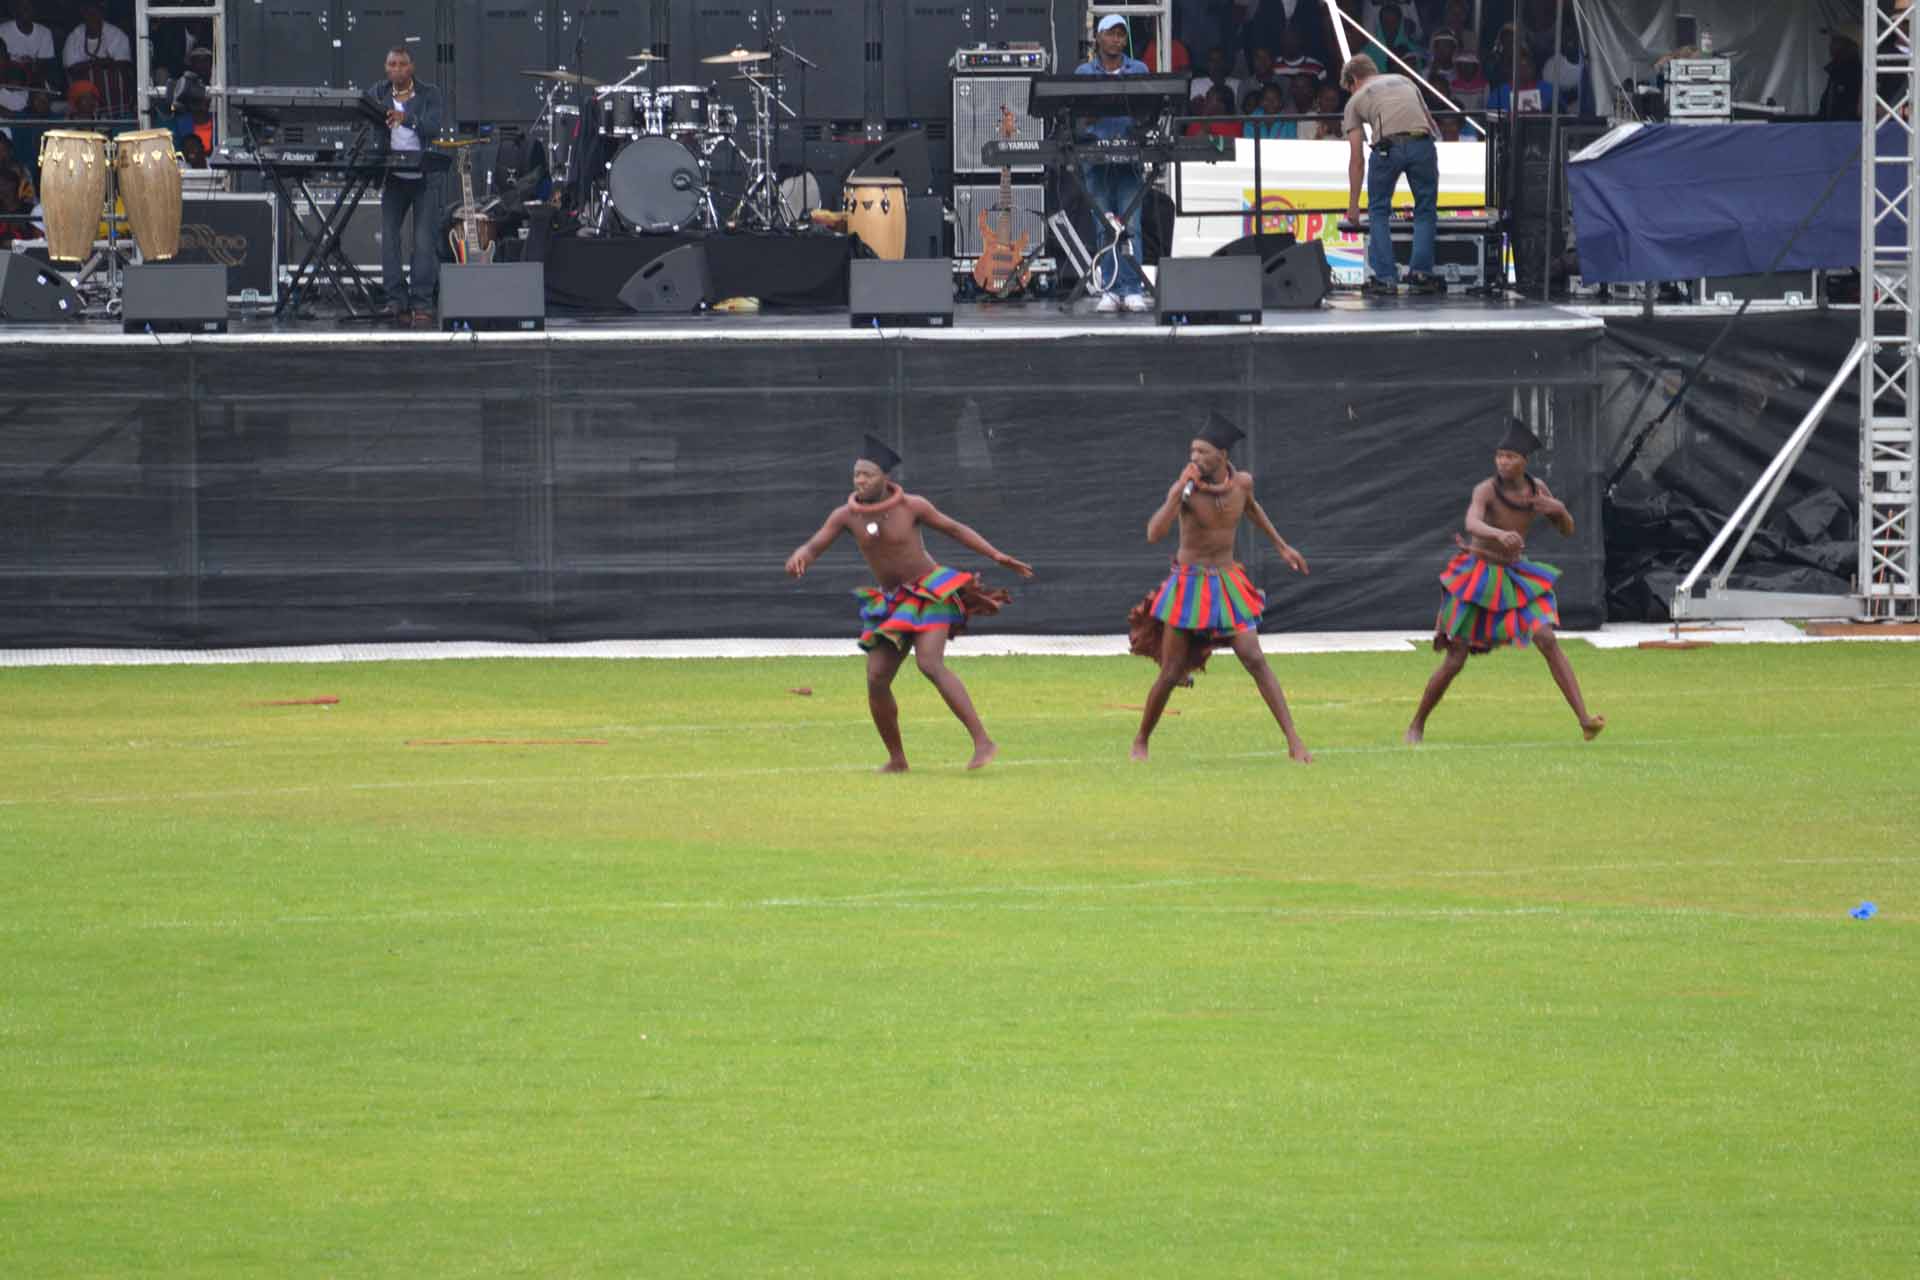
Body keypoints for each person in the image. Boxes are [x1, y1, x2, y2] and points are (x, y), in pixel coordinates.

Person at [784, 434, 1034, 773]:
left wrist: (996, 555)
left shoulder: (912, 506)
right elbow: (815, 545)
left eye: (867, 474)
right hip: (893, 603)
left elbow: (954, 529)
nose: (860, 480)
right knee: (876, 678)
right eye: (856, 474)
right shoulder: (845, 516)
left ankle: (983, 742)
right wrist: (801, 555)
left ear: (884, 478)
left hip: (930, 593)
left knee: (929, 664)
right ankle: (897, 759)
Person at [1127, 412, 1312, 765]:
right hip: (1189, 585)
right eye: (1192, 451)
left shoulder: (1241, 484)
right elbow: (1154, 534)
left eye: (1203, 452)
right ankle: (1141, 740)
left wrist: (1282, 546)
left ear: (1223, 455)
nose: (1194, 457)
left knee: (1254, 658)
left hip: (1227, 584)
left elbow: (1253, 511)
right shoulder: (1185, 491)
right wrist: (1177, 493)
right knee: (1171, 671)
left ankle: (1294, 740)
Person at [1406, 419, 1604, 745]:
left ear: (1524, 461)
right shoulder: (1486, 489)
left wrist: (1559, 509)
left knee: (1546, 637)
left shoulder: (1537, 490)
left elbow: (1567, 530)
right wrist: (1498, 534)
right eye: (1499, 455)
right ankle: (1417, 724)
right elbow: (1472, 522)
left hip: (1514, 576)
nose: (1503, 462)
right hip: (1478, 575)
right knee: (1456, 657)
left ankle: (1585, 720)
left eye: (1510, 456)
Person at [1342, 53, 1441, 297]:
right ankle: (1421, 275)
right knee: (1425, 209)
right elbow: (1432, 125)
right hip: (1421, 142)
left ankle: (1386, 278)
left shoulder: (1354, 101)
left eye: (1348, 87)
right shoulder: (1404, 80)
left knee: (1378, 210)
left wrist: (1353, 205)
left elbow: (1357, 159)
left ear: (1353, 80)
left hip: (1388, 148)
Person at [1074, 15, 1152, 313]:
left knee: (1131, 225)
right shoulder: (1084, 72)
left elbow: (1148, 113)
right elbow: (1076, 118)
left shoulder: (1138, 69)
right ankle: (1110, 288)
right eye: (1111, 33)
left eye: (1121, 34)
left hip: (1129, 157)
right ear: (1098, 37)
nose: (1116, 39)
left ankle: (1132, 289)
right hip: (1095, 158)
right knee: (1104, 226)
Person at [369, 44, 448, 325]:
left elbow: (433, 127)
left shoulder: (429, 93)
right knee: (389, 238)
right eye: (392, 64)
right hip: (394, 177)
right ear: (386, 68)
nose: (397, 69)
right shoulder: (378, 93)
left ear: (411, 67)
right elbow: (366, 121)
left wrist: (407, 119)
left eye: (402, 64)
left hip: (424, 177)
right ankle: (395, 300)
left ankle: (422, 302)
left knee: (424, 240)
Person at [61, 1, 132, 117]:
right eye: (88, 11)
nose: (92, 15)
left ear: (102, 13)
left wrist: (91, 65)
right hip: (83, 93)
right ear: (82, 13)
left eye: (95, 11)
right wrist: (99, 63)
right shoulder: (74, 36)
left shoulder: (117, 34)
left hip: (113, 100)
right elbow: (70, 68)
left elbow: (123, 66)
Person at [1, 0, 54, 119]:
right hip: (7, 81)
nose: (26, 10)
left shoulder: (44, 32)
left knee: (41, 101)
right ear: (15, 10)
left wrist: (26, 75)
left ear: (35, 10)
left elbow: (43, 69)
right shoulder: (2, 30)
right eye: (22, 6)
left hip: (33, 82)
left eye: (29, 6)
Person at [1819, 24, 1864, 121]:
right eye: (1832, 40)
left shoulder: (1855, 74)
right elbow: (1825, 111)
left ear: (1850, 45)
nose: (1831, 45)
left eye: (1836, 41)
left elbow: (1849, 111)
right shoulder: (1836, 73)